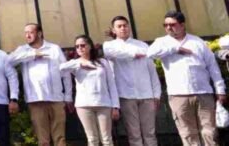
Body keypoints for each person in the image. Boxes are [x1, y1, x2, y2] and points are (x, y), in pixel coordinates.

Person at [147, 10, 225, 146]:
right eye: (165, 25)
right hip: (178, 95)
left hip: (203, 93)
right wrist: (175, 49)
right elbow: (150, 53)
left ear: (182, 25)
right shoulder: (162, 42)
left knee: (209, 131)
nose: (168, 27)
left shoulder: (197, 42)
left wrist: (220, 90)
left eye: (172, 24)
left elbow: (213, 67)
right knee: (188, 133)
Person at [9, 23, 72, 146]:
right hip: (35, 100)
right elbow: (9, 61)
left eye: (30, 32)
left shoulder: (54, 48)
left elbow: (65, 73)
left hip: (56, 99)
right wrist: (32, 55)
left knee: (60, 138)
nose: (27, 35)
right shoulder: (23, 50)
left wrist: (68, 97)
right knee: (43, 141)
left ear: (39, 33)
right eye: (25, 33)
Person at [103, 15, 161, 146]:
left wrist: (156, 94)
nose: (123, 28)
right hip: (126, 95)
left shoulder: (142, 45)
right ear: (113, 30)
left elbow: (152, 71)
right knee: (134, 134)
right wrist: (134, 54)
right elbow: (112, 53)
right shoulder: (110, 46)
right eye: (119, 26)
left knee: (150, 133)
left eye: (125, 25)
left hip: (147, 95)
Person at [60, 35, 120, 146]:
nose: (79, 48)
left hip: (103, 103)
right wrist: (79, 64)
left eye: (82, 45)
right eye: (77, 46)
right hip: (84, 105)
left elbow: (111, 84)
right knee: (92, 139)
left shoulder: (102, 62)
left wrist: (115, 106)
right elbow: (58, 69)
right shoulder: (75, 63)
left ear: (90, 46)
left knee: (107, 139)